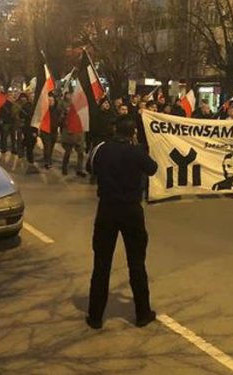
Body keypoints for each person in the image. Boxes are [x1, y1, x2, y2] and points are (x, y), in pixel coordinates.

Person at [87, 115, 158, 329]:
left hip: (107, 209)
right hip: (131, 210)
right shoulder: (137, 152)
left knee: (101, 264)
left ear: (114, 130)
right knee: (136, 263)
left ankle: (95, 316)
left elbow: (90, 168)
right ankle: (142, 313)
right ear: (133, 133)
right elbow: (153, 169)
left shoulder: (101, 149)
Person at [60, 93, 87, 178]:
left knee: (80, 153)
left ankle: (79, 169)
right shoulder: (67, 108)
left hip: (79, 134)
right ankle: (64, 168)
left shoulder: (82, 109)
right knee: (68, 152)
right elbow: (61, 121)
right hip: (69, 134)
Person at [17, 94, 39, 174]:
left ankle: (22, 149)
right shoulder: (22, 107)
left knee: (30, 143)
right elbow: (20, 116)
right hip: (27, 129)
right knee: (30, 145)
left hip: (32, 128)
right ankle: (30, 162)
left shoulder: (32, 107)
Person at [42, 93, 62, 169]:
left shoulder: (57, 110)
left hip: (54, 131)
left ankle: (48, 158)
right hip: (45, 131)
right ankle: (47, 162)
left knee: (51, 147)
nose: (51, 102)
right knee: (47, 146)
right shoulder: (44, 109)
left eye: (52, 100)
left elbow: (59, 119)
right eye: (49, 100)